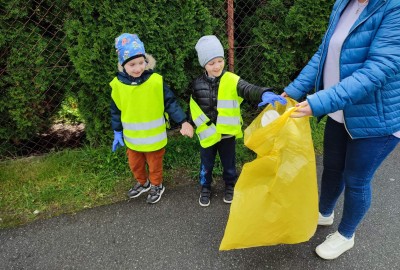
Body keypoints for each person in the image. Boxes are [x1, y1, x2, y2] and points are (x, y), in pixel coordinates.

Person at [283, 0, 400, 260]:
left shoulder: (394, 8)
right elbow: (323, 53)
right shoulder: (342, 4)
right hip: (340, 112)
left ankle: (346, 235)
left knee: (357, 180)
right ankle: (324, 213)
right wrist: (292, 91)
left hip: (376, 120)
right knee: (332, 168)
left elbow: (377, 70)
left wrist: (319, 102)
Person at [190, 35, 287, 207]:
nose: (217, 66)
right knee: (206, 164)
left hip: (227, 134)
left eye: (220, 61)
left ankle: (230, 186)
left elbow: (248, 89)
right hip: (207, 136)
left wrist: (263, 92)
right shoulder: (196, 84)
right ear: (203, 64)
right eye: (211, 63)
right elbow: (193, 108)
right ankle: (205, 187)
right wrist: (188, 124)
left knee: (229, 164)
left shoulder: (232, 80)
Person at [110, 33, 194, 204]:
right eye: (132, 64)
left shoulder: (156, 81)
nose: (137, 68)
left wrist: (183, 121)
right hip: (132, 139)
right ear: (123, 65)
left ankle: (157, 185)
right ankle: (143, 183)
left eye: (141, 62)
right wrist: (117, 131)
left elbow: (170, 102)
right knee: (135, 164)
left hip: (155, 138)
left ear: (146, 61)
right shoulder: (117, 85)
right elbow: (116, 110)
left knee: (155, 165)